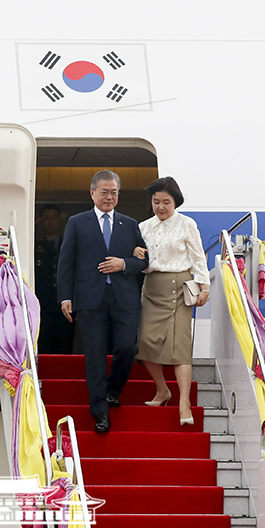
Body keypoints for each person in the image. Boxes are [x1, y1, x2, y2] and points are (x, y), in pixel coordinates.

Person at [57, 171, 148, 433]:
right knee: (95, 356)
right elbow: (67, 263)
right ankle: (100, 412)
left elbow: (144, 260)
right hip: (90, 300)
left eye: (114, 192)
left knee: (127, 348)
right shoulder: (77, 222)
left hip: (125, 298)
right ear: (93, 193)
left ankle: (111, 390)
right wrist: (65, 296)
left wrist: (124, 264)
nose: (109, 197)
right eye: (105, 192)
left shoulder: (129, 224)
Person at [133, 177, 210, 426]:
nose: (161, 207)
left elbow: (199, 257)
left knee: (179, 348)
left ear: (175, 202)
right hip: (151, 287)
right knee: (144, 342)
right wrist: (134, 253)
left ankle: (184, 403)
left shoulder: (187, 224)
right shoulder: (144, 226)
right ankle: (162, 390)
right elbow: (136, 255)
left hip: (179, 288)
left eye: (166, 202)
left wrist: (204, 287)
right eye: (156, 202)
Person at [33, 205, 73, 353]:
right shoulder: (34, 246)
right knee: (43, 342)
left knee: (65, 342)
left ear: (60, 220)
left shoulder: (69, 245)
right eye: (46, 219)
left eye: (54, 218)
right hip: (41, 302)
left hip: (66, 302)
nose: (50, 222)